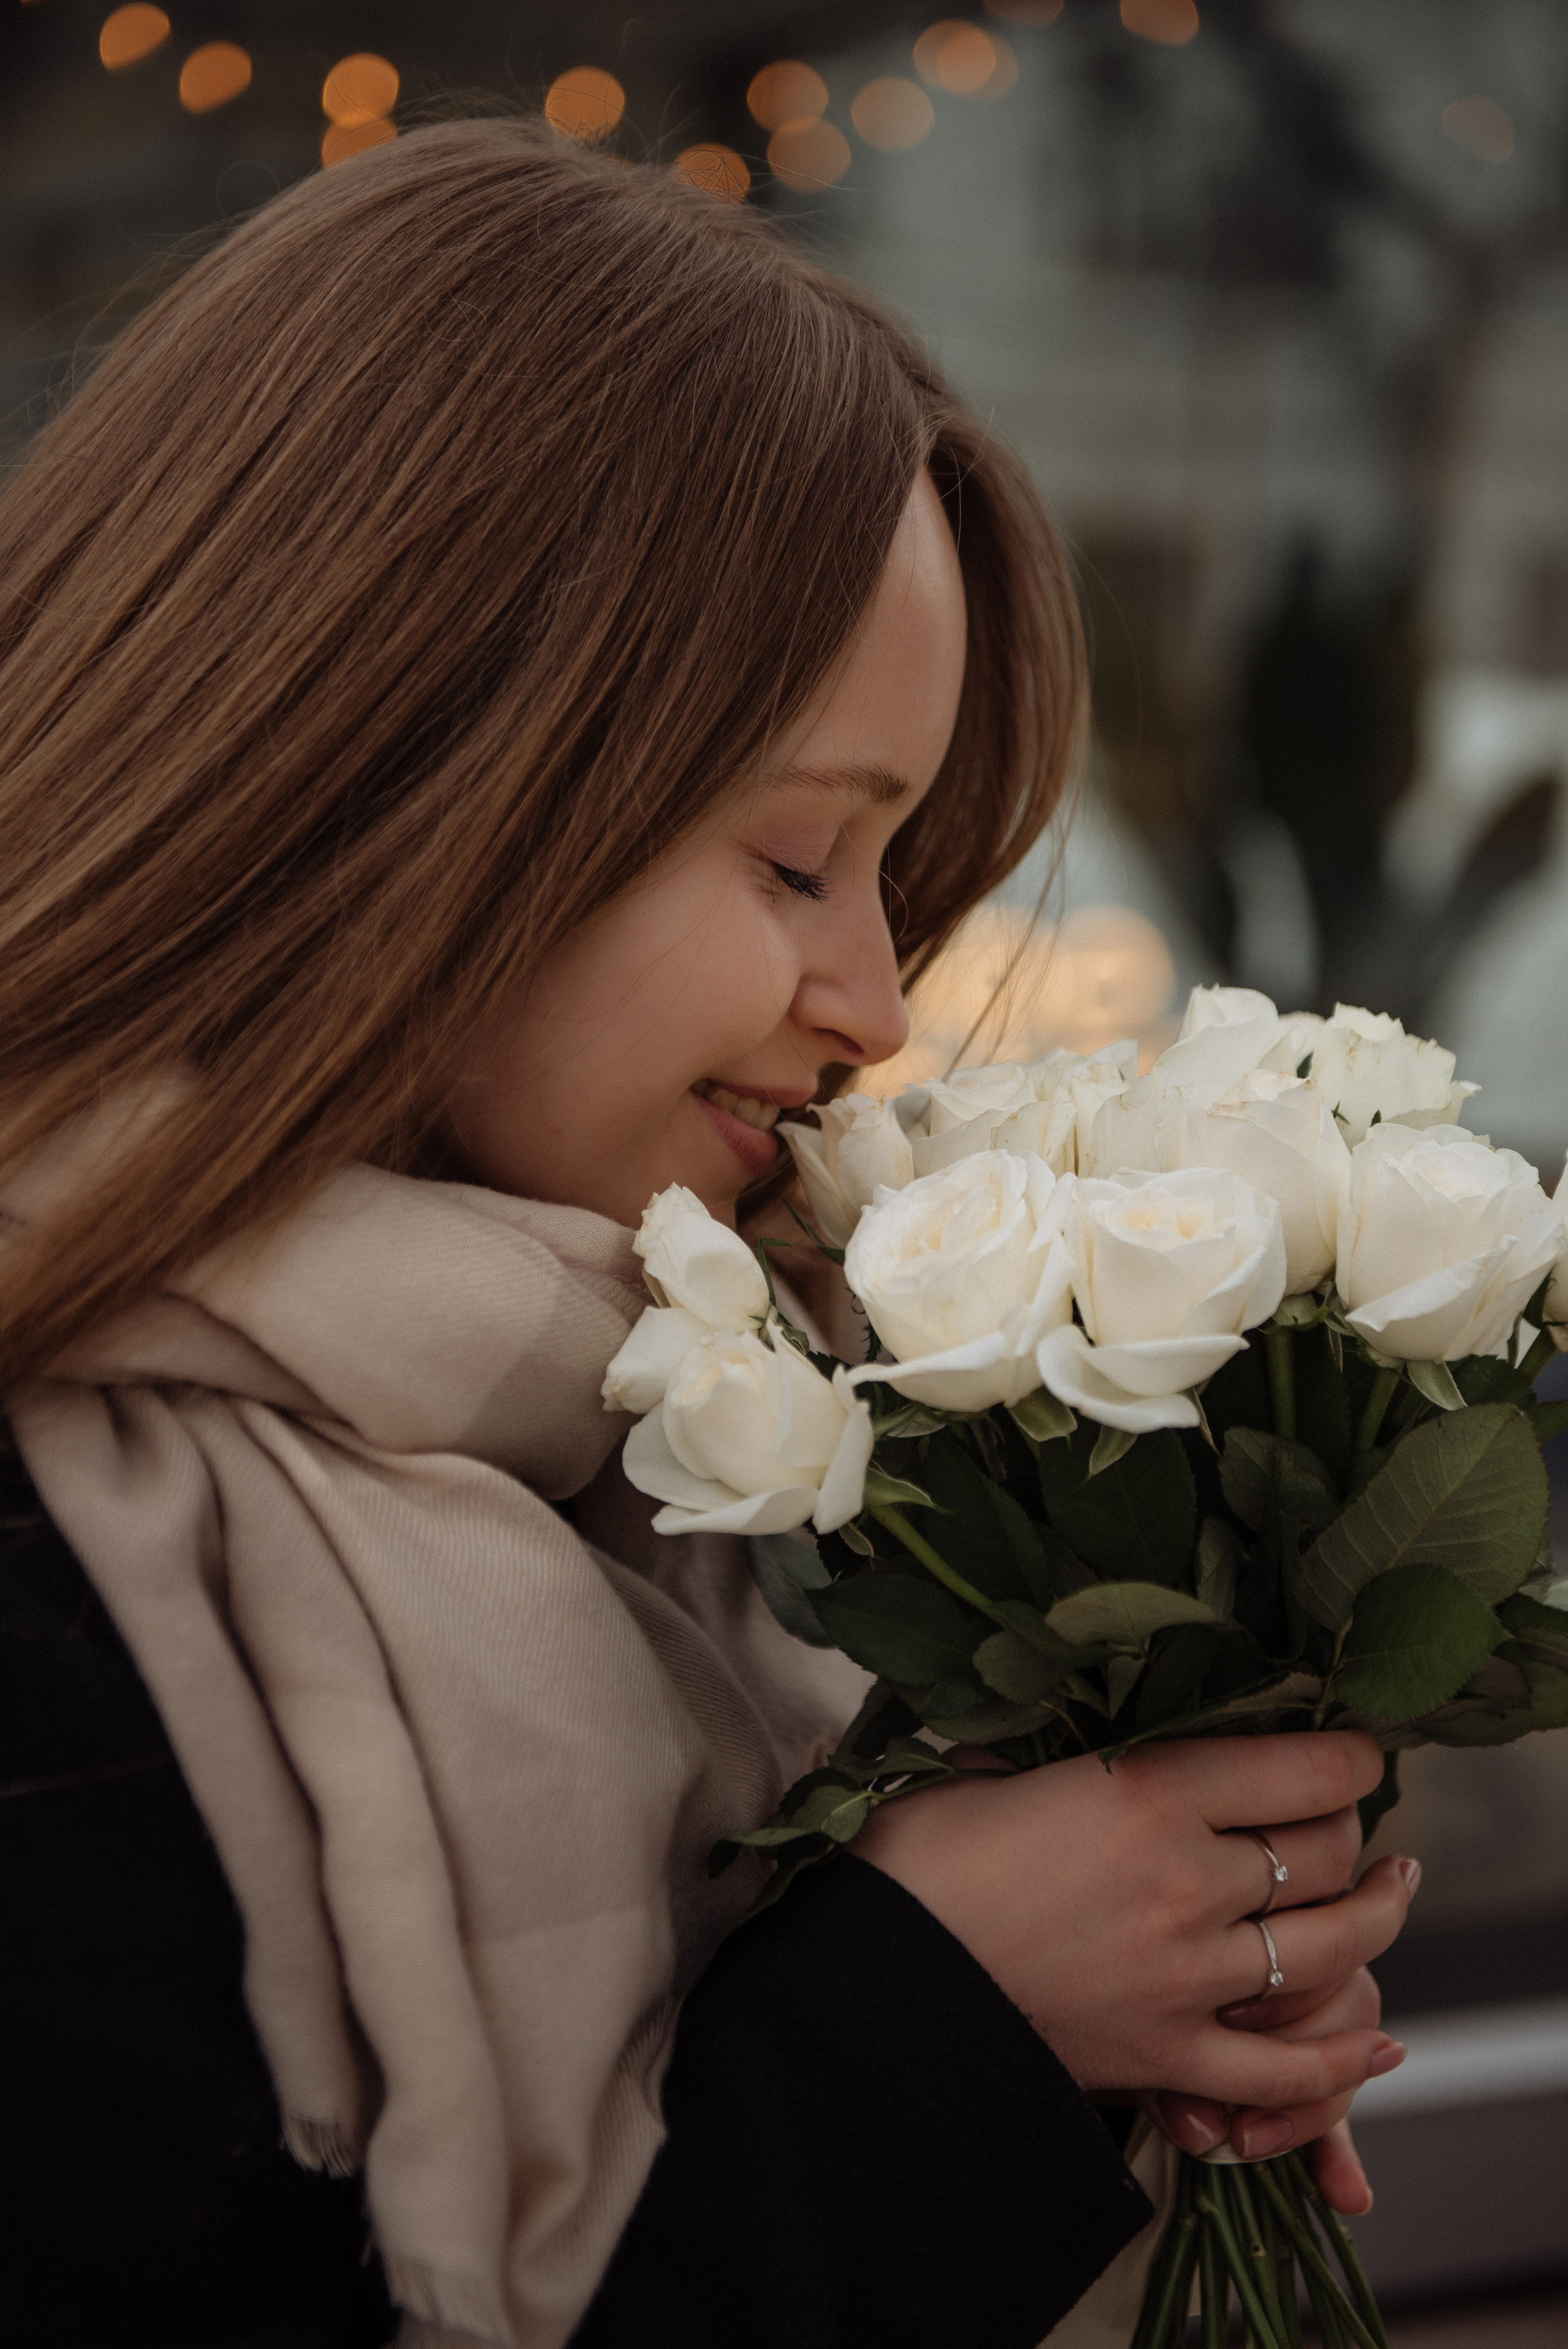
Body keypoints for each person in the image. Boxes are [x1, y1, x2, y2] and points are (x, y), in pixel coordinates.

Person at [0, 118, 1417, 2349]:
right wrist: (938, 2016)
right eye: (795, 860)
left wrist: (1110, 2014)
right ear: (415, 756)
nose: (873, 1004)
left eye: (900, 878)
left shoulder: (709, 1462)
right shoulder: (63, 1545)